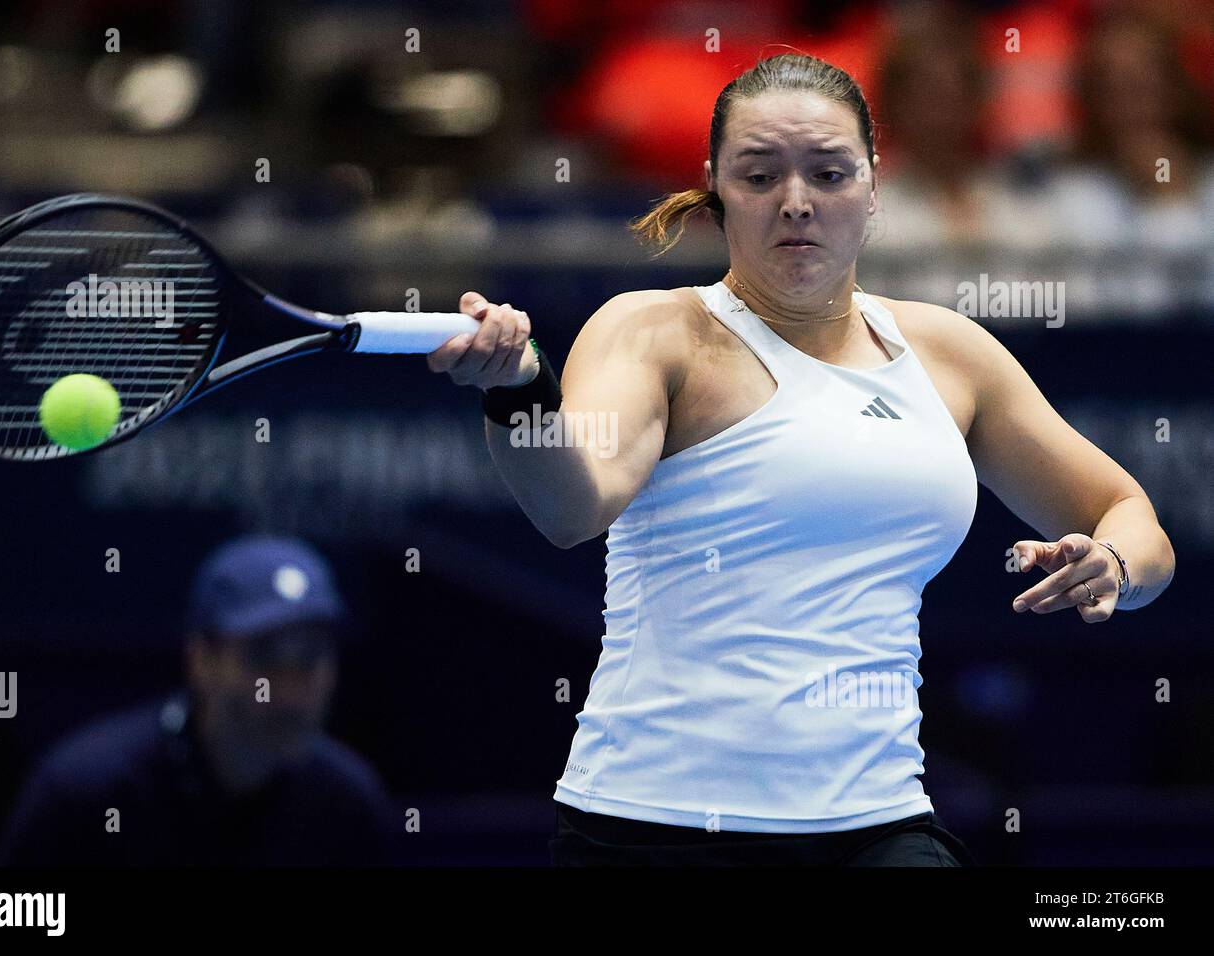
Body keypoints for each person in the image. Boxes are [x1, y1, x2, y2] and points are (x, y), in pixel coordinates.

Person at [425, 52, 1176, 865]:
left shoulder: (950, 353)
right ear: (715, 190)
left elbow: (1136, 523)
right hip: (652, 830)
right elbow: (573, 508)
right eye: (759, 176)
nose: (796, 203)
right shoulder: (653, 330)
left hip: (878, 827)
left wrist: (1113, 564)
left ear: (874, 186)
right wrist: (519, 387)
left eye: (828, 173)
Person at [0, 535, 393, 865]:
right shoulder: (83, 794)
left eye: (310, 660)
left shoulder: (348, 806)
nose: (289, 692)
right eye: (263, 658)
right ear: (201, 658)